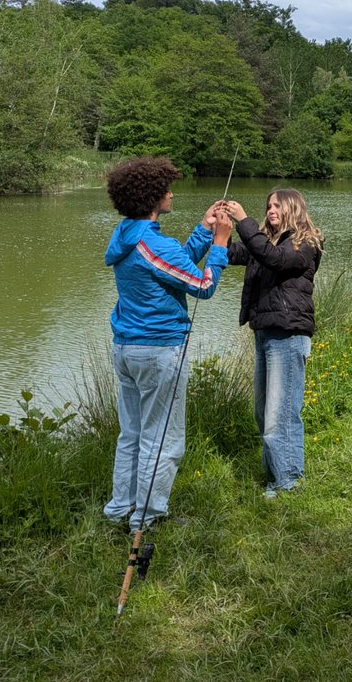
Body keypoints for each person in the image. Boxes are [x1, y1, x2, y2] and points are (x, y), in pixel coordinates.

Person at [103, 156, 231, 531]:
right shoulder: (151, 243)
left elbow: (175, 269)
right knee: (163, 440)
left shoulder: (127, 236)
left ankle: (119, 510)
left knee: (132, 435)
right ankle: (146, 518)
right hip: (158, 351)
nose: (172, 194)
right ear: (153, 197)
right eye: (168, 189)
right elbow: (201, 285)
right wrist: (221, 243)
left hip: (126, 349)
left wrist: (205, 230)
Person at [220, 190, 323, 499]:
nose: (271, 210)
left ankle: (286, 480)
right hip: (265, 332)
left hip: (289, 336)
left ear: (293, 209)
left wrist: (243, 220)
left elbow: (274, 259)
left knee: (281, 414)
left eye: (277, 205)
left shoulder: (305, 244)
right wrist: (218, 230)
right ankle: (278, 474)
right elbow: (238, 253)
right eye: (268, 206)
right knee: (263, 413)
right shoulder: (265, 242)